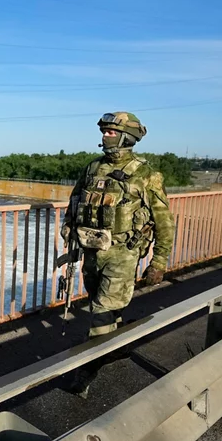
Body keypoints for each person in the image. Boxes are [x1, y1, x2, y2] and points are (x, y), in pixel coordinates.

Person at [60, 112, 175, 398]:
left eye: (111, 132)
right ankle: (117, 345)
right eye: (105, 131)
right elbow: (75, 201)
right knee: (105, 307)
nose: (105, 136)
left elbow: (164, 221)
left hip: (123, 255)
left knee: (100, 313)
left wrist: (158, 261)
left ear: (127, 137)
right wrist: (69, 228)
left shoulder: (146, 174)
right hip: (92, 251)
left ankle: (86, 373)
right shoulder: (93, 167)